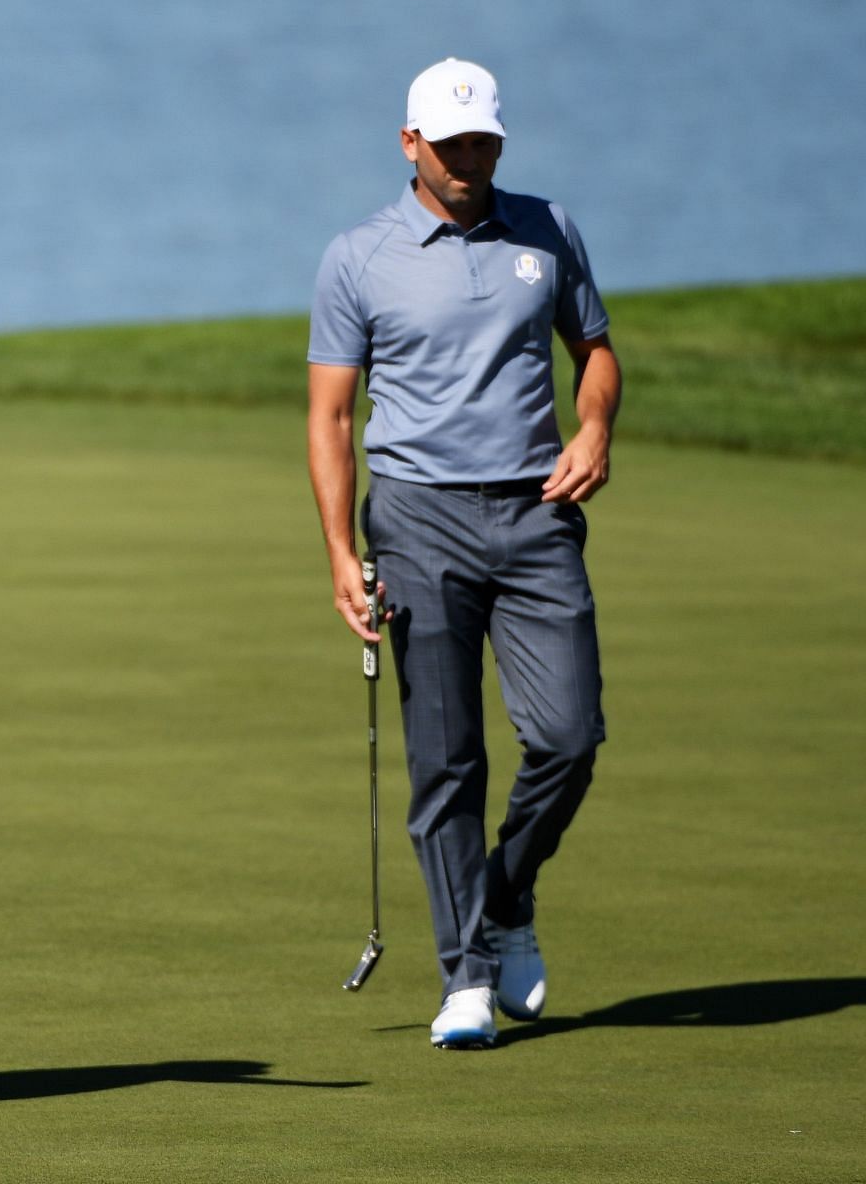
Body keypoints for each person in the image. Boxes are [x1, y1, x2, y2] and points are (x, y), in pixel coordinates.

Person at [305, 58, 621, 1050]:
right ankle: (466, 973)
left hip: (536, 515)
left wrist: (594, 426)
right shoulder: (359, 256)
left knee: (569, 736)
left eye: (482, 141)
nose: (468, 160)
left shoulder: (548, 228)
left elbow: (596, 350)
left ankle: (506, 891)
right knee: (447, 760)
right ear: (410, 143)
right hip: (415, 517)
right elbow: (329, 416)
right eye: (448, 146)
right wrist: (338, 550)